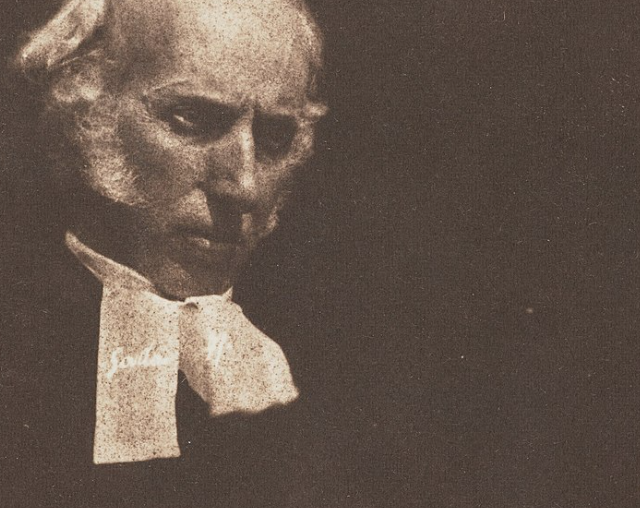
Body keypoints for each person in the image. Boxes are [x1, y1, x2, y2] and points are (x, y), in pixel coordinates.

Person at [0, 0, 372, 506]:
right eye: (192, 119)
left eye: (273, 137)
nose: (242, 185)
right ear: (87, 113)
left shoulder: (342, 368)